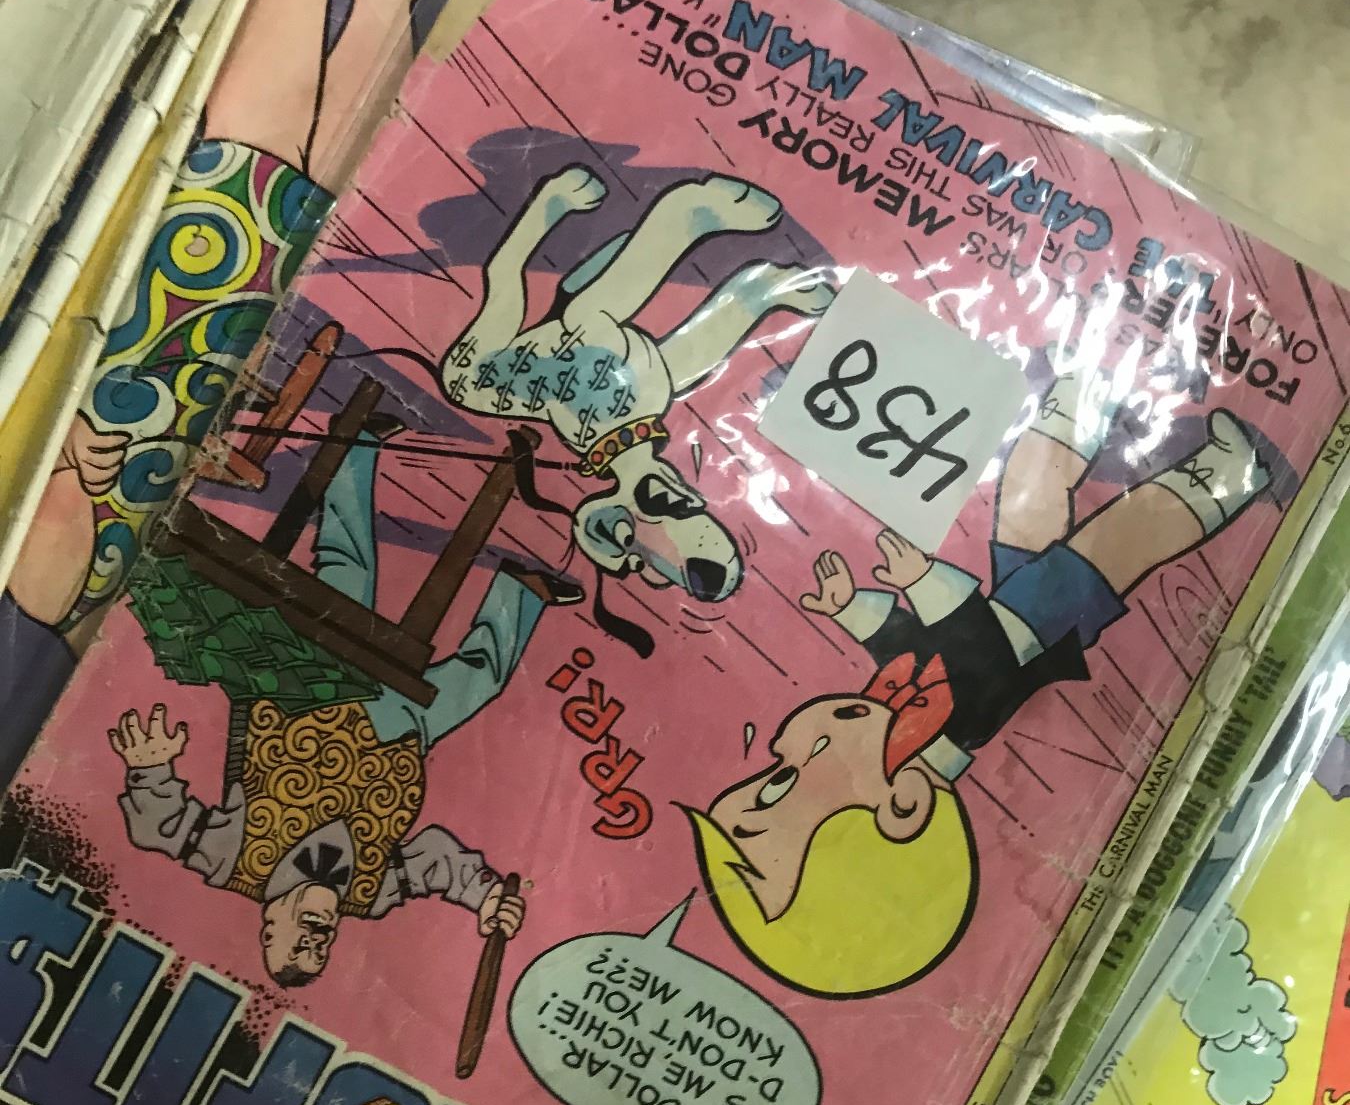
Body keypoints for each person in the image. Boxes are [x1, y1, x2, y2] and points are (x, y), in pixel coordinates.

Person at [1, 0, 459, 783]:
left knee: (246, 177)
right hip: (175, 352)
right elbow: (63, 561)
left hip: (159, 305)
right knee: (263, 186)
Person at [690, 365, 1273, 998]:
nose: (783, 749)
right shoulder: (961, 722)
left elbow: (907, 650)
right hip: (1045, 624)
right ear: (903, 804)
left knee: (1026, 491)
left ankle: (1090, 389)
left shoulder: (900, 722)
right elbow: (978, 653)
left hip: (1013, 607)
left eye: (771, 771)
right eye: (784, 782)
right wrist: (923, 583)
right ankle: (1230, 476)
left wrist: (851, 608)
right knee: (1124, 533)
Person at [108, 428, 578, 986]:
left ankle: (359, 445)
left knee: (348, 575)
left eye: (298, 945)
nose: (316, 937)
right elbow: (433, 860)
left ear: (270, 927)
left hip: (316, 692)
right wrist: (486, 898)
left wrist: (151, 769)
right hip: (406, 729)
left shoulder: (229, 861)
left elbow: (158, 828)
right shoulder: (370, 894)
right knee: (483, 679)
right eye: (321, 949)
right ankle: (523, 590)